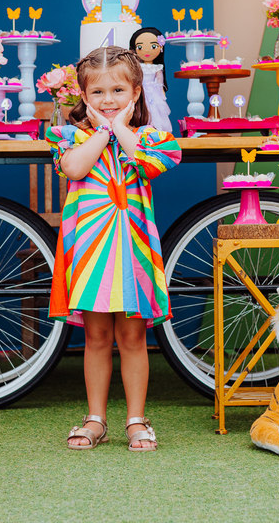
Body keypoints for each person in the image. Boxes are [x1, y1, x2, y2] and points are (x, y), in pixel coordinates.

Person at [47, 46, 181, 452]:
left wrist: (121, 127)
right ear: (84, 97)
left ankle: (136, 419)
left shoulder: (151, 137)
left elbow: (151, 161)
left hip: (133, 249)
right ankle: (95, 418)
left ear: (136, 93)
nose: (109, 100)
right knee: (97, 336)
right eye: (99, 93)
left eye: (119, 90)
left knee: (133, 338)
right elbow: (74, 167)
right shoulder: (68, 135)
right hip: (89, 248)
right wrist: (104, 130)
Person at [129, 26, 172, 133]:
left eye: (153, 46)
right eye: (140, 47)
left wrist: (162, 94)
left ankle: (156, 129)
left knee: (155, 111)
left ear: (160, 48)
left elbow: (159, 81)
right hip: (140, 91)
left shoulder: (158, 68)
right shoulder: (137, 66)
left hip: (154, 92)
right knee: (140, 110)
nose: (147, 50)